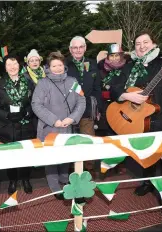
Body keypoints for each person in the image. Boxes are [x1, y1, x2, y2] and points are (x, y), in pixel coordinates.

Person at [110, 30, 162, 196]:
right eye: (138, 44)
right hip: (140, 120)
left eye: (146, 42)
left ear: (154, 44)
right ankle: (147, 182)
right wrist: (126, 95)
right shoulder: (130, 65)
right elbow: (114, 87)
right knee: (146, 154)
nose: (142, 46)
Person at [32, 51, 86, 199]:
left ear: (64, 65)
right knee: (51, 158)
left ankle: (64, 178)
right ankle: (54, 186)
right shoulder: (42, 83)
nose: (57, 68)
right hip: (49, 128)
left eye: (60, 65)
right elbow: (36, 105)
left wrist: (72, 118)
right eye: (54, 65)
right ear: (48, 67)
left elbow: (82, 101)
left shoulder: (73, 81)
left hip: (68, 126)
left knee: (65, 154)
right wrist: (54, 120)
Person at [0, 54, 36, 195]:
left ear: (19, 65)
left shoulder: (28, 82)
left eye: (15, 64)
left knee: (26, 155)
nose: (12, 67)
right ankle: (13, 180)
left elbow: (35, 102)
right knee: (11, 156)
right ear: (5, 67)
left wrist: (26, 113)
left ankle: (26, 179)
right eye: (9, 64)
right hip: (7, 127)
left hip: (26, 126)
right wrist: (7, 115)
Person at [66, 36, 102, 178]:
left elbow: (97, 88)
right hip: (68, 112)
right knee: (69, 143)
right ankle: (71, 174)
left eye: (81, 47)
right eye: (75, 47)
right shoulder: (64, 64)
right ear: (70, 49)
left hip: (87, 112)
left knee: (87, 143)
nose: (78, 50)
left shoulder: (92, 64)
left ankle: (87, 175)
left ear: (85, 48)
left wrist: (97, 107)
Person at [97, 43, 128, 136]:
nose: (114, 58)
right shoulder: (101, 70)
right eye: (112, 55)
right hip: (105, 107)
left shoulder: (127, 69)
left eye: (117, 55)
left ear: (121, 56)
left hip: (124, 107)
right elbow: (97, 88)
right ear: (108, 57)